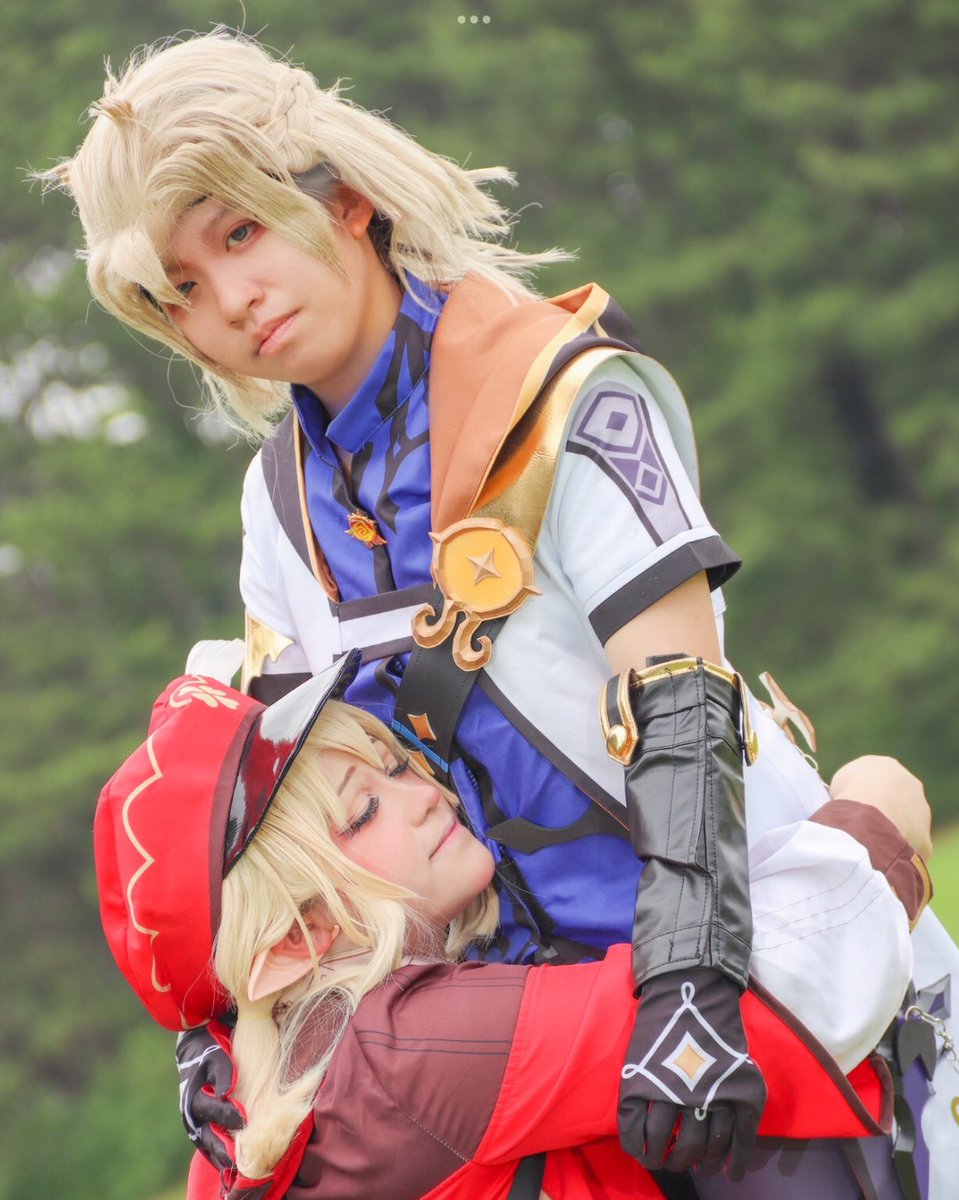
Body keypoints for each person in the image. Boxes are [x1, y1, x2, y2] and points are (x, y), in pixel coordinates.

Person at [45, 30, 955, 1196]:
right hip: (535, 1053)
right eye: (182, 286)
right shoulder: (278, 506)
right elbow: (277, 816)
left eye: (238, 233)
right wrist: (221, 1022)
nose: (232, 300)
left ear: (345, 198)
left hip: (768, 982)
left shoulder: (561, 392)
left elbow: (680, 702)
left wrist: (689, 983)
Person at [95, 656, 928, 1200]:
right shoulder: (406, 1051)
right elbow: (767, 1004)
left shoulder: (238, 1117)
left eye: (397, 763)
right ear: (289, 943)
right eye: (363, 811)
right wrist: (875, 817)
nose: (425, 794)